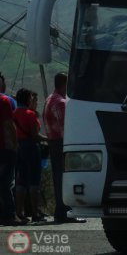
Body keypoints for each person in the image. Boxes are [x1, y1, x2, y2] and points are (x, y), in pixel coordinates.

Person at [43, 73, 85, 224]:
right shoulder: (60, 102)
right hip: (61, 143)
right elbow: (66, 127)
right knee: (65, 178)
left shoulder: (50, 98)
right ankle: (65, 212)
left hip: (53, 142)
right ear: (64, 84)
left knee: (58, 178)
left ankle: (61, 212)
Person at [13, 89, 47, 222]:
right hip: (31, 148)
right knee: (34, 181)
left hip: (18, 148)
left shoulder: (14, 113)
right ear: (27, 99)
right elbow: (35, 135)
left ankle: (19, 212)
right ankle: (35, 212)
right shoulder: (30, 114)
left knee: (21, 180)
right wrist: (48, 139)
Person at [0, 89, 25, 225]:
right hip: (5, 146)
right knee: (7, 181)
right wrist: (15, 144)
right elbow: (8, 124)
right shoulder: (3, 101)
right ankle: (9, 214)